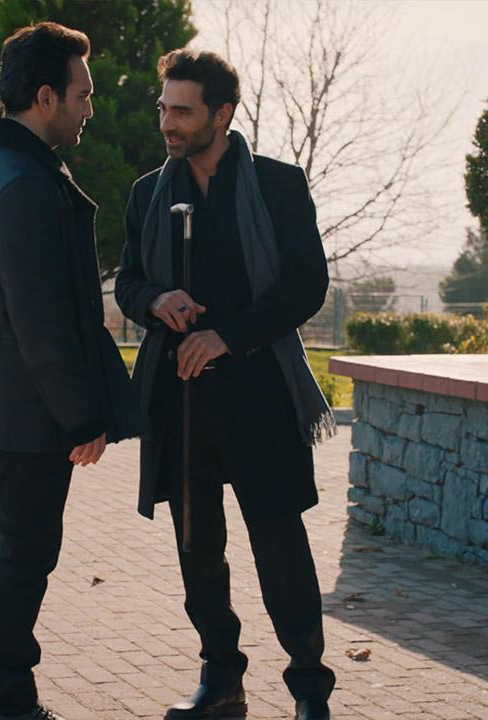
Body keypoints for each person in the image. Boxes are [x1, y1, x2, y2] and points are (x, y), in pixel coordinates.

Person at [115, 49, 338, 720]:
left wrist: (227, 336)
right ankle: (222, 681)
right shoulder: (148, 194)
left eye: (182, 111)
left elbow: (307, 284)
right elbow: (127, 283)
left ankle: (309, 690)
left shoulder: (278, 186)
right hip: (180, 401)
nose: (167, 123)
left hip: (261, 396)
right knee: (198, 552)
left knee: (280, 547)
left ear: (222, 114)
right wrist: (155, 300)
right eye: (164, 109)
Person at [0, 21, 142, 720]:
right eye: (83, 94)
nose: (91, 108)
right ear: (46, 97)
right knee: (23, 554)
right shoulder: (22, 180)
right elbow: (40, 321)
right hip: (26, 409)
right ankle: (9, 703)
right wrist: (81, 416)